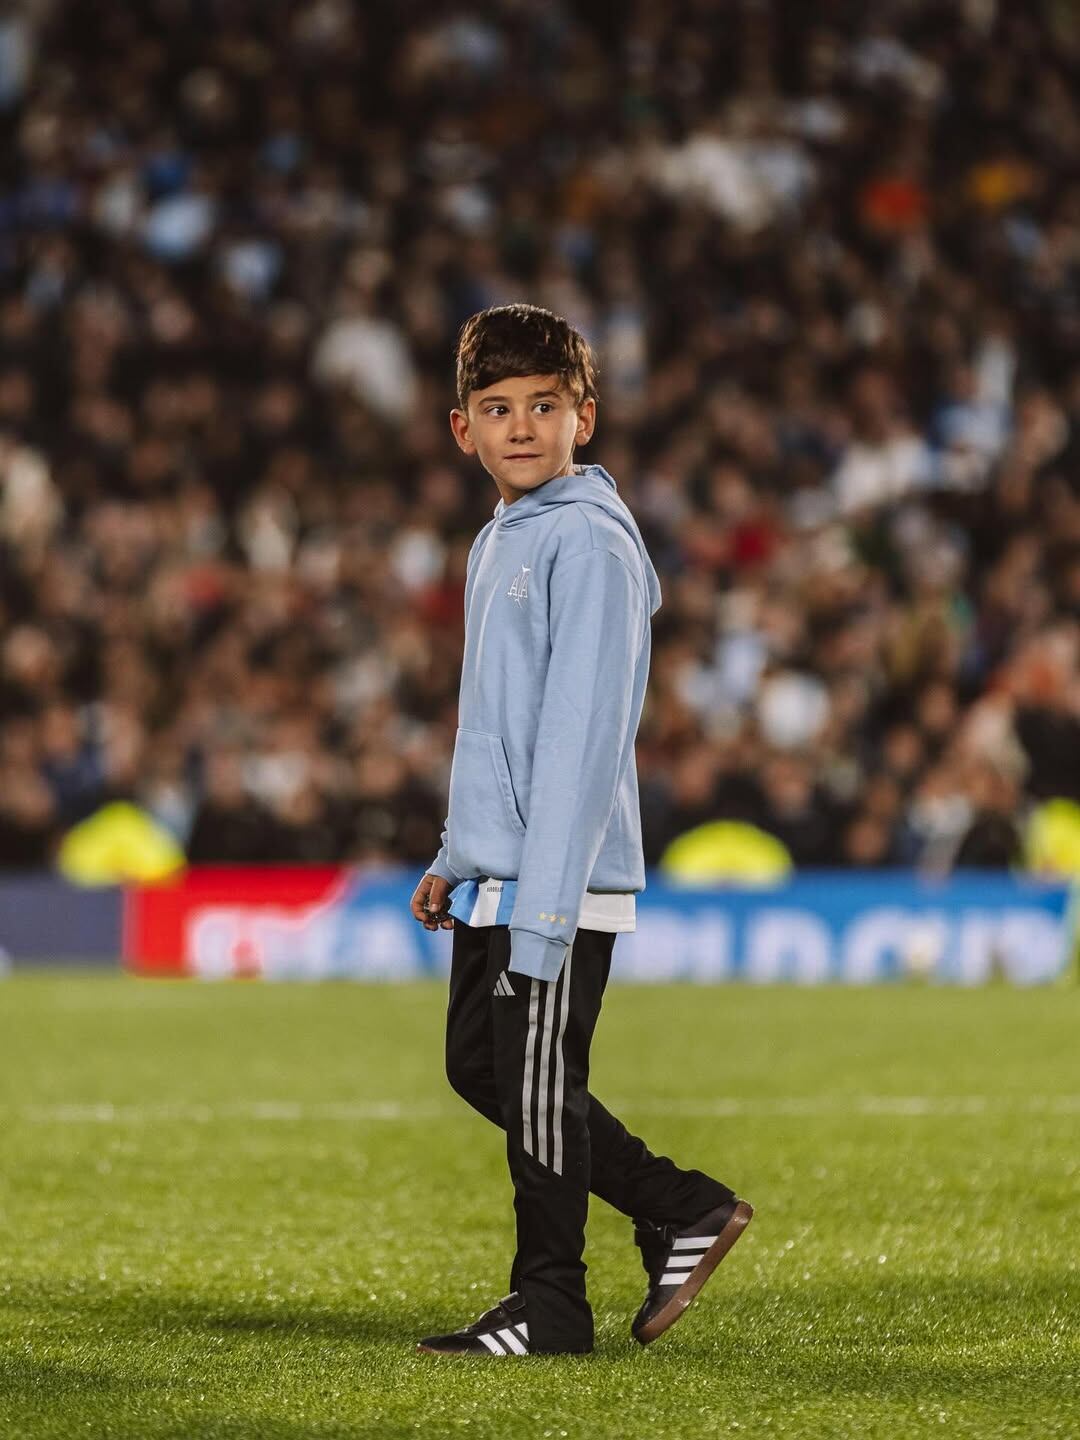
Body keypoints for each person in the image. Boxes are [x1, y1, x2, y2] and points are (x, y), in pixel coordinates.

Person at [409, 304, 752, 1358]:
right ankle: (681, 1206)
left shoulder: (590, 544)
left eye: (544, 407)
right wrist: (455, 856)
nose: (521, 427)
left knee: (540, 1081)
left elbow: (579, 743)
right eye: (498, 408)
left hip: (555, 884)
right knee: (484, 1067)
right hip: (504, 875)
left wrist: (546, 913)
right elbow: (499, 726)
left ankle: (551, 1303)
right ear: (461, 427)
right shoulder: (502, 536)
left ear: (584, 420)